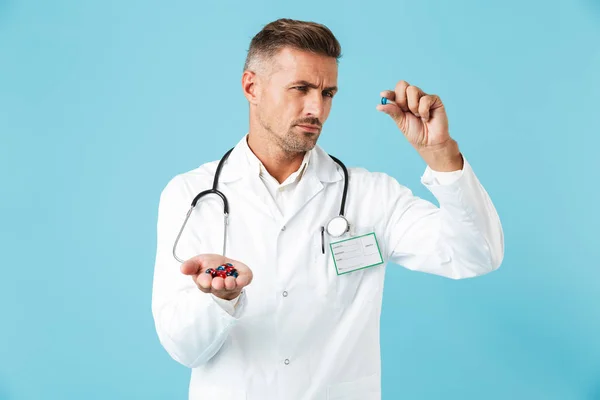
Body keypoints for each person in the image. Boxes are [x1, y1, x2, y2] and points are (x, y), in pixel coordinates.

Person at [151, 18, 504, 400]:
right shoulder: (191, 194)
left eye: (328, 93)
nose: (316, 108)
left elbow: (477, 255)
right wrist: (222, 300)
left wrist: (441, 155)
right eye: (300, 89)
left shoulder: (372, 196)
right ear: (251, 87)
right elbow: (182, 348)